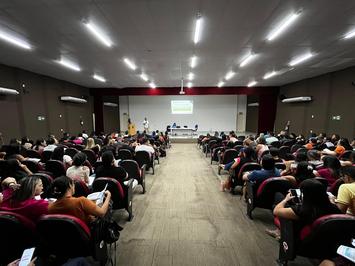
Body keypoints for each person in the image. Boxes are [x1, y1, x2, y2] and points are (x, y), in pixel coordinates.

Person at [269, 179, 341, 240]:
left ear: (305, 194)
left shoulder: (302, 210)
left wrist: (286, 199)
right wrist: (332, 201)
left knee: (278, 199)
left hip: (301, 238)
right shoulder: (334, 208)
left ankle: (280, 232)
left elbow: (276, 211)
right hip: (324, 239)